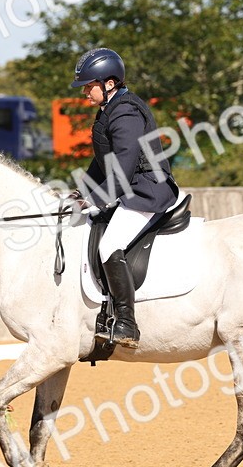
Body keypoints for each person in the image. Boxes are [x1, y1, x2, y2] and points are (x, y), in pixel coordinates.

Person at [70, 48, 180, 348]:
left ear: (109, 83)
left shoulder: (126, 111)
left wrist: (95, 199)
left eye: (89, 85)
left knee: (109, 244)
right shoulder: (108, 110)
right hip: (130, 188)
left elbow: (125, 164)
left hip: (148, 189)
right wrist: (79, 193)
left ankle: (127, 323)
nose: (85, 92)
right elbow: (101, 162)